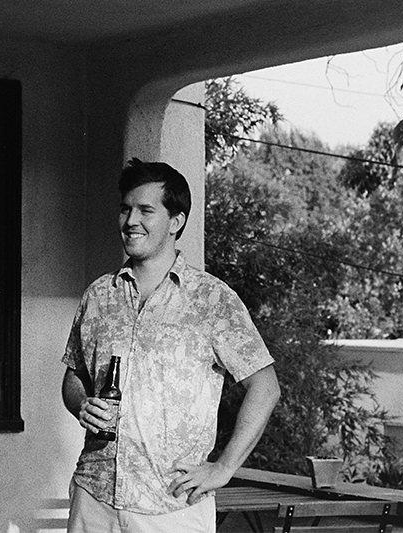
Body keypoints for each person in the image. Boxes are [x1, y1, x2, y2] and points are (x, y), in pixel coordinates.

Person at [61, 158, 280, 533]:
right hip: (94, 500)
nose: (131, 221)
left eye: (146, 210)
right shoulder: (98, 295)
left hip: (172, 507)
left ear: (176, 221)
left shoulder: (211, 299)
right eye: (125, 209)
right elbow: (73, 376)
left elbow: (265, 386)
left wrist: (224, 468)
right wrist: (82, 403)